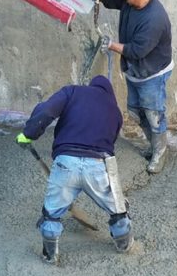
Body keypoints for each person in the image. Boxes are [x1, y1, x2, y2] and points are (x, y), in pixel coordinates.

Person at [16, 75, 132, 265]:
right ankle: (124, 243)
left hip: (66, 164)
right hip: (99, 165)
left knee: (51, 213)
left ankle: (50, 254)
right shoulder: (115, 111)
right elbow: (110, 142)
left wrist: (29, 133)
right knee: (118, 210)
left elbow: (46, 110)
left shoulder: (72, 92)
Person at [90, 0, 173, 174]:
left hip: (152, 73)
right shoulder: (130, 1)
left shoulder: (154, 19)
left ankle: (161, 152)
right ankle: (155, 146)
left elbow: (136, 51)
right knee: (136, 112)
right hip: (135, 71)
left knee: (154, 114)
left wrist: (111, 45)